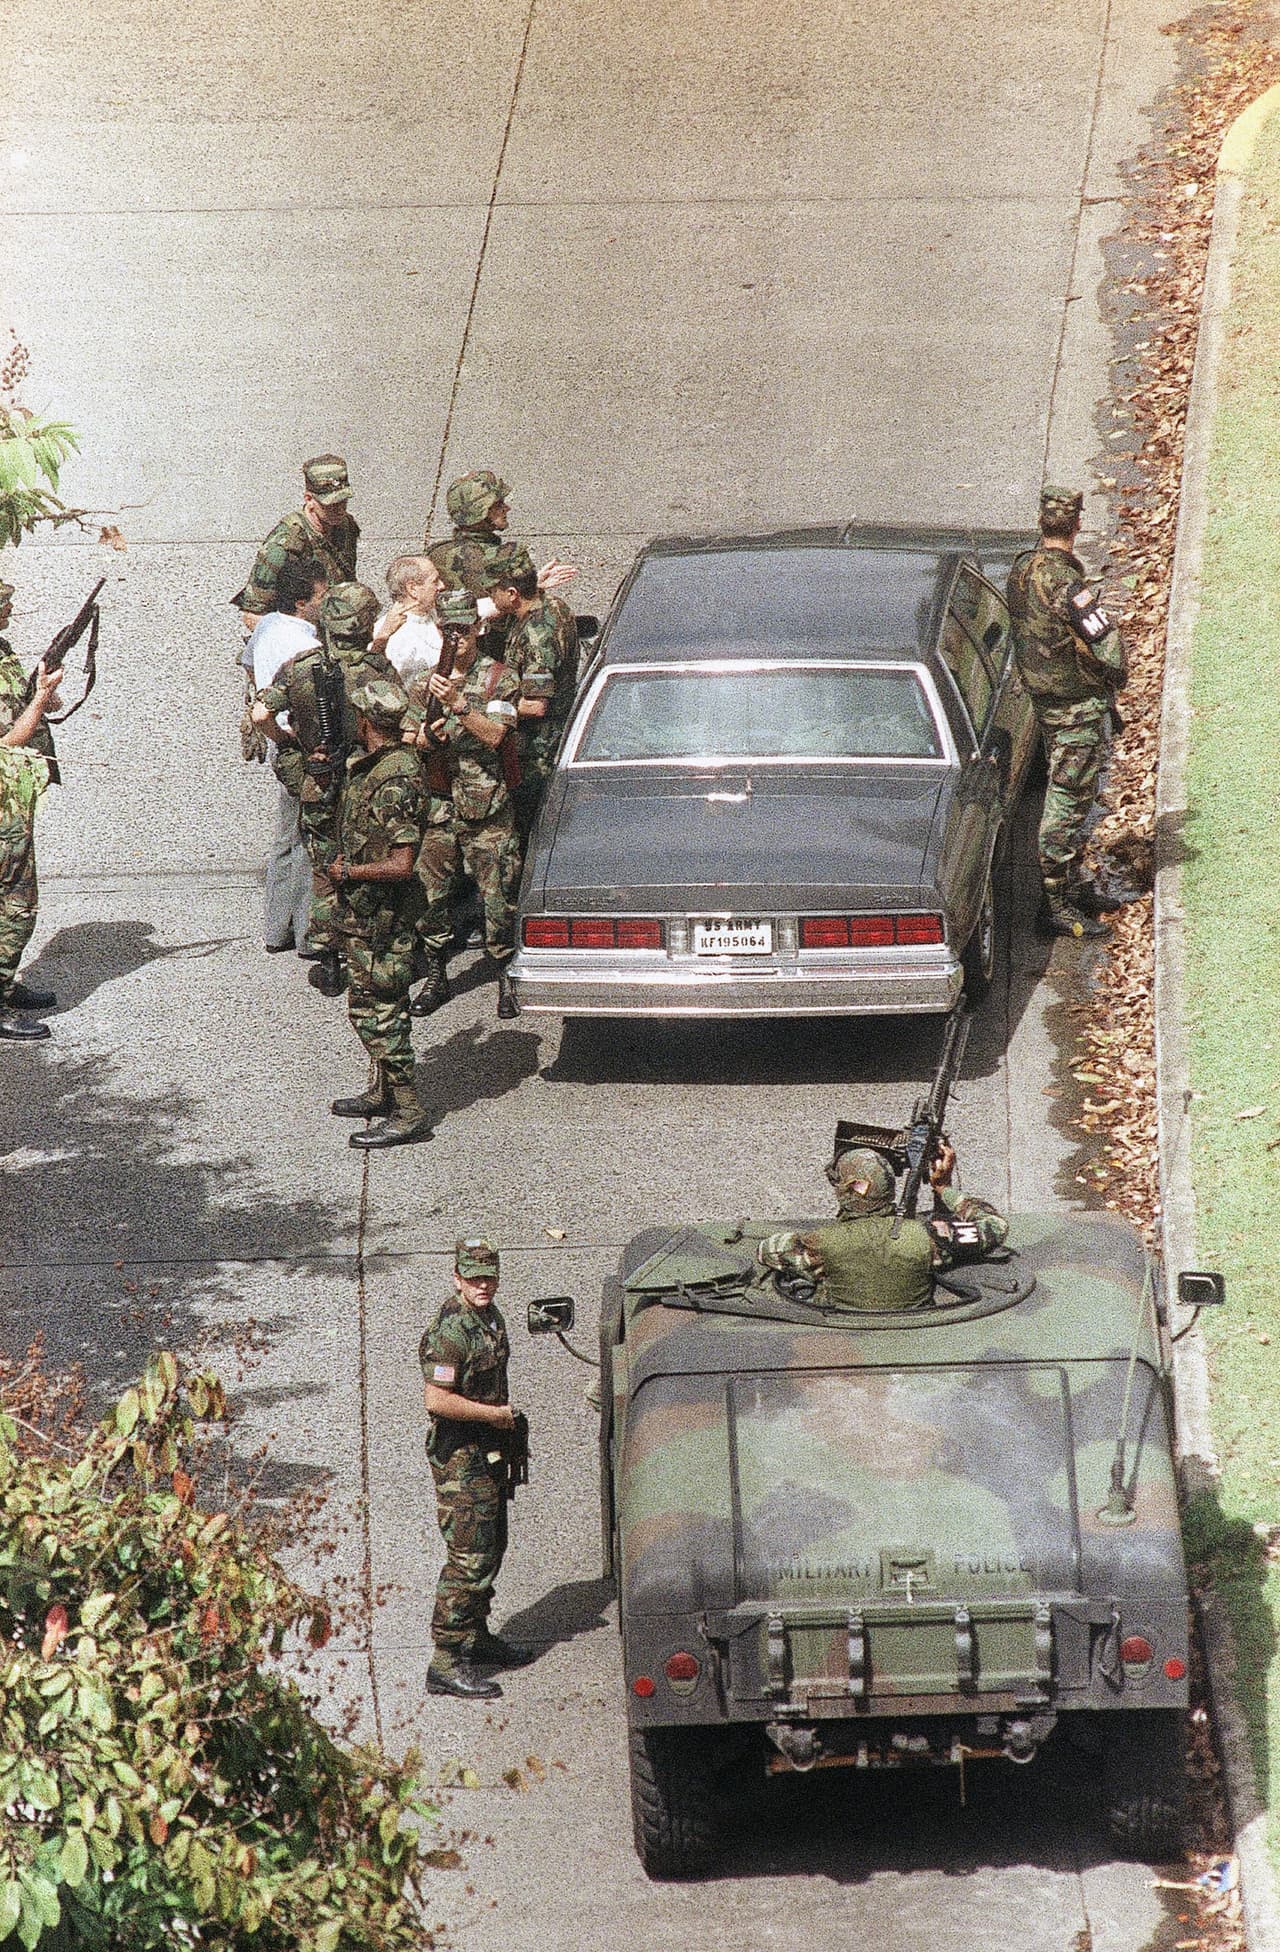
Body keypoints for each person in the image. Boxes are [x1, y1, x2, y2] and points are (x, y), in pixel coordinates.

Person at [253, 581, 396, 997]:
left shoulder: (301, 666)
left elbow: (262, 712)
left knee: (322, 865)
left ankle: (326, 956)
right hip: (362, 778)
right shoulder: (376, 669)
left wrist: (287, 747)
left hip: (318, 780)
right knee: (365, 860)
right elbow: (401, 718)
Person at [1005, 486, 1130, 939]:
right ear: (1076, 525)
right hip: (1075, 706)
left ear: (1042, 524)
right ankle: (1055, 902)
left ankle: (1072, 886)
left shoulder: (1020, 569)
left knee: (1070, 792)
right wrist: (1116, 674)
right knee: (1069, 797)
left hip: (1044, 699)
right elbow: (1106, 644)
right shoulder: (1065, 583)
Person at [420, 1237, 534, 1698]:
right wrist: (497, 1416)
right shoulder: (451, 1331)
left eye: (489, 1277)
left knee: (492, 1545)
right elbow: (437, 1400)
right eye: (473, 1278)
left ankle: (474, 1635)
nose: (483, 1285)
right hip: (460, 1460)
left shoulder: (490, 1318)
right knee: (468, 1559)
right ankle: (445, 1662)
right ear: (457, 1279)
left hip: (488, 1451)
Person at [402, 589, 522, 1020]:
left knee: (498, 896)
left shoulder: (499, 678)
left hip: (486, 806)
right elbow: (409, 738)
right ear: (439, 630)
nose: (458, 639)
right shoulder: (422, 683)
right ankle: (437, 971)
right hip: (439, 807)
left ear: (479, 627)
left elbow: (495, 735)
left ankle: (507, 971)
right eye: (449, 630)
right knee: (431, 895)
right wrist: (428, 737)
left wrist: (459, 705)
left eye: (464, 630)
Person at [329, 678, 432, 1148]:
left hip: (383, 921)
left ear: (367, 721)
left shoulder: (392, 780)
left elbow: (402, 863)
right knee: (368, 1006)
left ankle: (409, 1113)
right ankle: (383, 1093)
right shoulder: (376, 765)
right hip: (366, 917)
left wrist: (350, 871)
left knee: (379, 1013)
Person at [757, 1141, 1007, 1311]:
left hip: (846, 1336)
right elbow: (994, 1225)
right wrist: (944, 1188)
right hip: (915, 1332)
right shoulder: (928, 1238)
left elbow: (766, 1251)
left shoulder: (820, 1244)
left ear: (845, 1193)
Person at [242, 557, 327, 956]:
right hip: (303, 744)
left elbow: (248, 667)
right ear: (300, 602)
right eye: (321, 596)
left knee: (285, 837)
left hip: (278, 739)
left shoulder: (266, 627)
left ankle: (276, 929)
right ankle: (309, 935)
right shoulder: (306, 646)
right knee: (312, 838)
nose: (325, 602)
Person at [0, 579, 64, 1041]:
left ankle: (3, 984)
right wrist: (41, 699)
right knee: (15, 904)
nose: (10, 607)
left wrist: (42, 695)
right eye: (3, 603)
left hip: (14, 797)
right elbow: (8, 740)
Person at [489, 544, 580, 842]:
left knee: (533, 828)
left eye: (494, 590)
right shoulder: (551, 604)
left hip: (540, 749)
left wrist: (488, 706)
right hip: (542, 738)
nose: (491, 597)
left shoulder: (537, 636)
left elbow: (535, 705)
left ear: (512, 593)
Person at [425, 470, 578, 618]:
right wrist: (530, 589)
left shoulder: (436, 554)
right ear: (479, 515)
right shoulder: (495, 559)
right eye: (498, 505)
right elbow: (506, 610)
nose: (507, 508)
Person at [231, 454, 360, 630]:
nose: (339, 509)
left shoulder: (346, 526)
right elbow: (253, 615)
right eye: (329, 504)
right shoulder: (284, 545)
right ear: (309, 499)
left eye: (343, 501)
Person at [373, 554, 443, 685]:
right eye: (435, 581)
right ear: (413, 589)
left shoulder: (438, 614)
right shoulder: (388, 633)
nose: (442, 586)